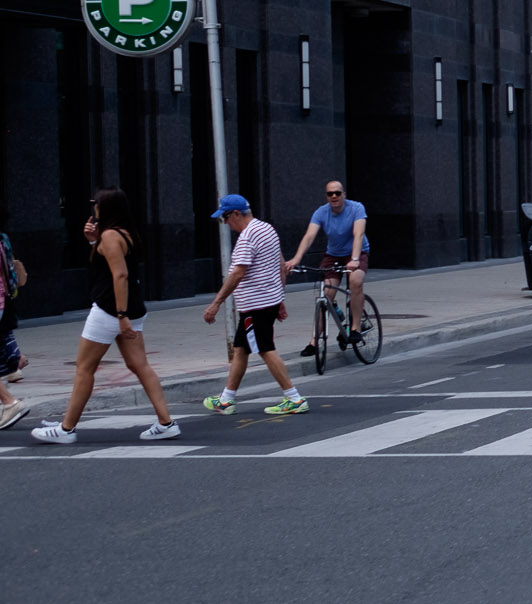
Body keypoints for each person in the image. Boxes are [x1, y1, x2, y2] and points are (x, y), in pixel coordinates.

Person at [30, 189, 179, 443]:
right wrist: (92, 241)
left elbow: (120, 275)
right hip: (131, 308)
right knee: (139, 365)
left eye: (95, 203)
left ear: (106, 207)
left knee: (84, 368)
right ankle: (167, 422)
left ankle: (66, 429)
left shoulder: (110, 236)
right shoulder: (124, 234)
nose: (93, 208)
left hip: (110, 310)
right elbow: (109, 266)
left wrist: (120, 316)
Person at [201, 195, 309, 416]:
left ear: (236, 214)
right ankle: (226, 399)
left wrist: (216, 303)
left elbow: (237, 273)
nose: (225, 224)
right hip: (267, 301)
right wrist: (280, 299)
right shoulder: (267, 229)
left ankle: (294, 398)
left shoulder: (247, 237)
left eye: (225, 218)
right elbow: (280, 264)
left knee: (264, 349)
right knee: (241, 349)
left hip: (255, 305)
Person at [282, 179, 370, 356]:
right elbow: (309, 236)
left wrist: (354, 259)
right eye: (330, 194)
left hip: (356, 252)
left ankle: (355, 329)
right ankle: (314, 342)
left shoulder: (356, 208)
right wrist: (296, 259)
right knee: (326, 295)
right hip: (333, 255)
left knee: (355, 280)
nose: (334, 196)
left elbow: (358, 234)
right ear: (326, 196)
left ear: (344, 194)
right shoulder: (321, 212)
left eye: (338, 193)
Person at [1, 204, 25, 383]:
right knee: (5, 331)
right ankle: (14, 363)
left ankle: (15, 362)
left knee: (4, 331)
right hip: (7, 290)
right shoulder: (4, 239)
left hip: (2, 292)